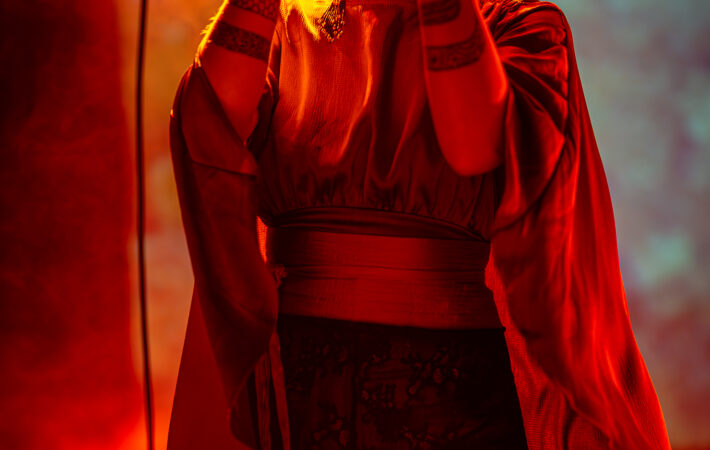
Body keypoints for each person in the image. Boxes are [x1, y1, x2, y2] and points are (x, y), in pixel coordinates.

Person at [166, 0, 671, 448]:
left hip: (448, 389)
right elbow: (211, 122)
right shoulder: (286, 24)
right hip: (300, 383)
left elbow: (473, 147)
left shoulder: (519, 23)